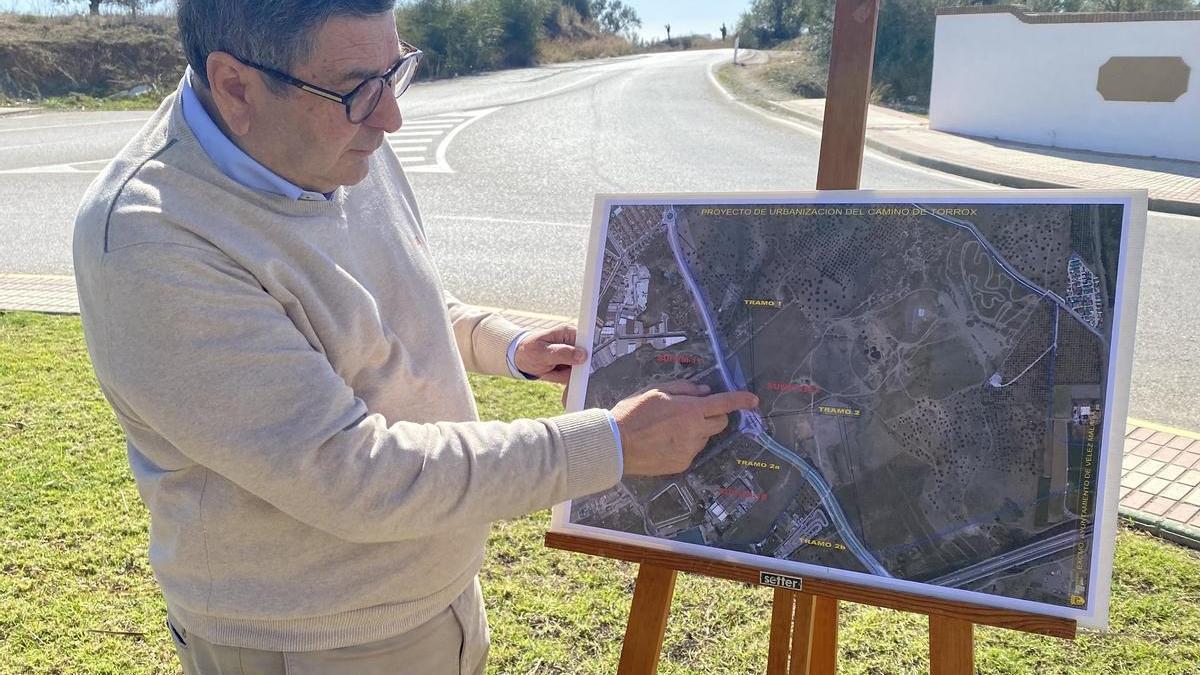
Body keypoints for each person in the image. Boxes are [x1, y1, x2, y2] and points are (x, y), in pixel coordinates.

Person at [72, 1, 758, 673]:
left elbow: (390, 302)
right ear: (235, 85)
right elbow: (353, 474)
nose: (391, 118)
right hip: (315, 639)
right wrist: (611, 443)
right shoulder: (148, 240)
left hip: (434, 595)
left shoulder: (332, 139)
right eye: (356, 90)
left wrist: (504, 343)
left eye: (394, 72)